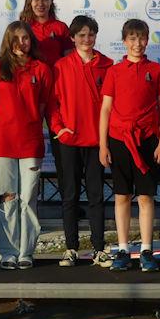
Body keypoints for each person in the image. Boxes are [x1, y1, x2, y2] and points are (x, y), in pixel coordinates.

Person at [99, 19, 160, 272]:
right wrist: (103, 145)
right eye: (132, 38)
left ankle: (147, 249)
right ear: (124, 41)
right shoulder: (114, 72)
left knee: (146, 197)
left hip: (148, 139)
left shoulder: (157, 71)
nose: (137, 43)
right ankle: (124, 248)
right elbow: (106, 109)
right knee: (121, 196)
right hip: (119, 140)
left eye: (141, 38)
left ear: (147, 40)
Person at [0, 22, 53, 270]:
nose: (22, 43)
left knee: (28, 200)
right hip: (3, 144)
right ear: (9, 41)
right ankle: (8, 252)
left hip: (30, 144)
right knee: (7, 200)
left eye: (26, 38)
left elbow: (43, 107)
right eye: (17, 38)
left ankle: (26, 251)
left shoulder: (42, 69)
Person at [50, 15, 114, 268]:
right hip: (69, 141)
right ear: (73, 38)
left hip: (97, 141)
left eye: (91, 35)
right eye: (82, 35)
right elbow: (52, 104)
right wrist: (59, 129)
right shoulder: (61, 66)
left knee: (96, 196)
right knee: (70, 195)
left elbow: (113, 105)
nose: (87, 40)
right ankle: (71, 248)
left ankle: (99, 248)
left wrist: (106, 138)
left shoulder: (107, 65)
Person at [19, 0, 73, 201]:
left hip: (56, 93)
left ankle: (67, 199)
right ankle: (27, 197)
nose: (40, 3)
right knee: (27, 141)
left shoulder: (60, 28)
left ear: (51, 1)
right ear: (29, 2)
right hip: (30, 91)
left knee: (62, 146)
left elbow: (70, 60)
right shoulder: (23, 27)